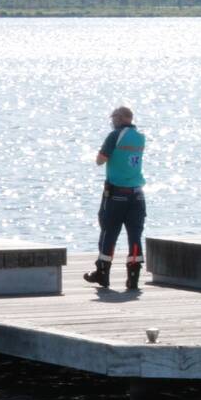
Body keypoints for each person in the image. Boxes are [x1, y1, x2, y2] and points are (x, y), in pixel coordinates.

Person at [84, 106, 146, 290]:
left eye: (113, 117)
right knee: (135, 234)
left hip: (117, 193)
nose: (112, 121)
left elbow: (100, 160)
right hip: (137, 193)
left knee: (109, 232)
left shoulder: (115, 135)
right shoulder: (140, 137)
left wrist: (101, 156)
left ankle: (102, 273)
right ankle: (133, 277)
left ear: (120, 118)